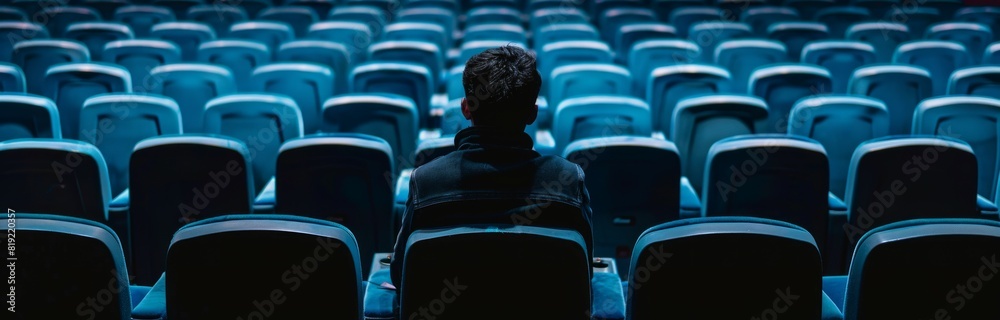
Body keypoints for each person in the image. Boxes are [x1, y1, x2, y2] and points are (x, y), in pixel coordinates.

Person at [390, 45, 594, 287]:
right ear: (533, 114)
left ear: (465, 108)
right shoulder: (568, 180)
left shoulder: (426, 181)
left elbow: (401, 274)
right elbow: (583, 271)